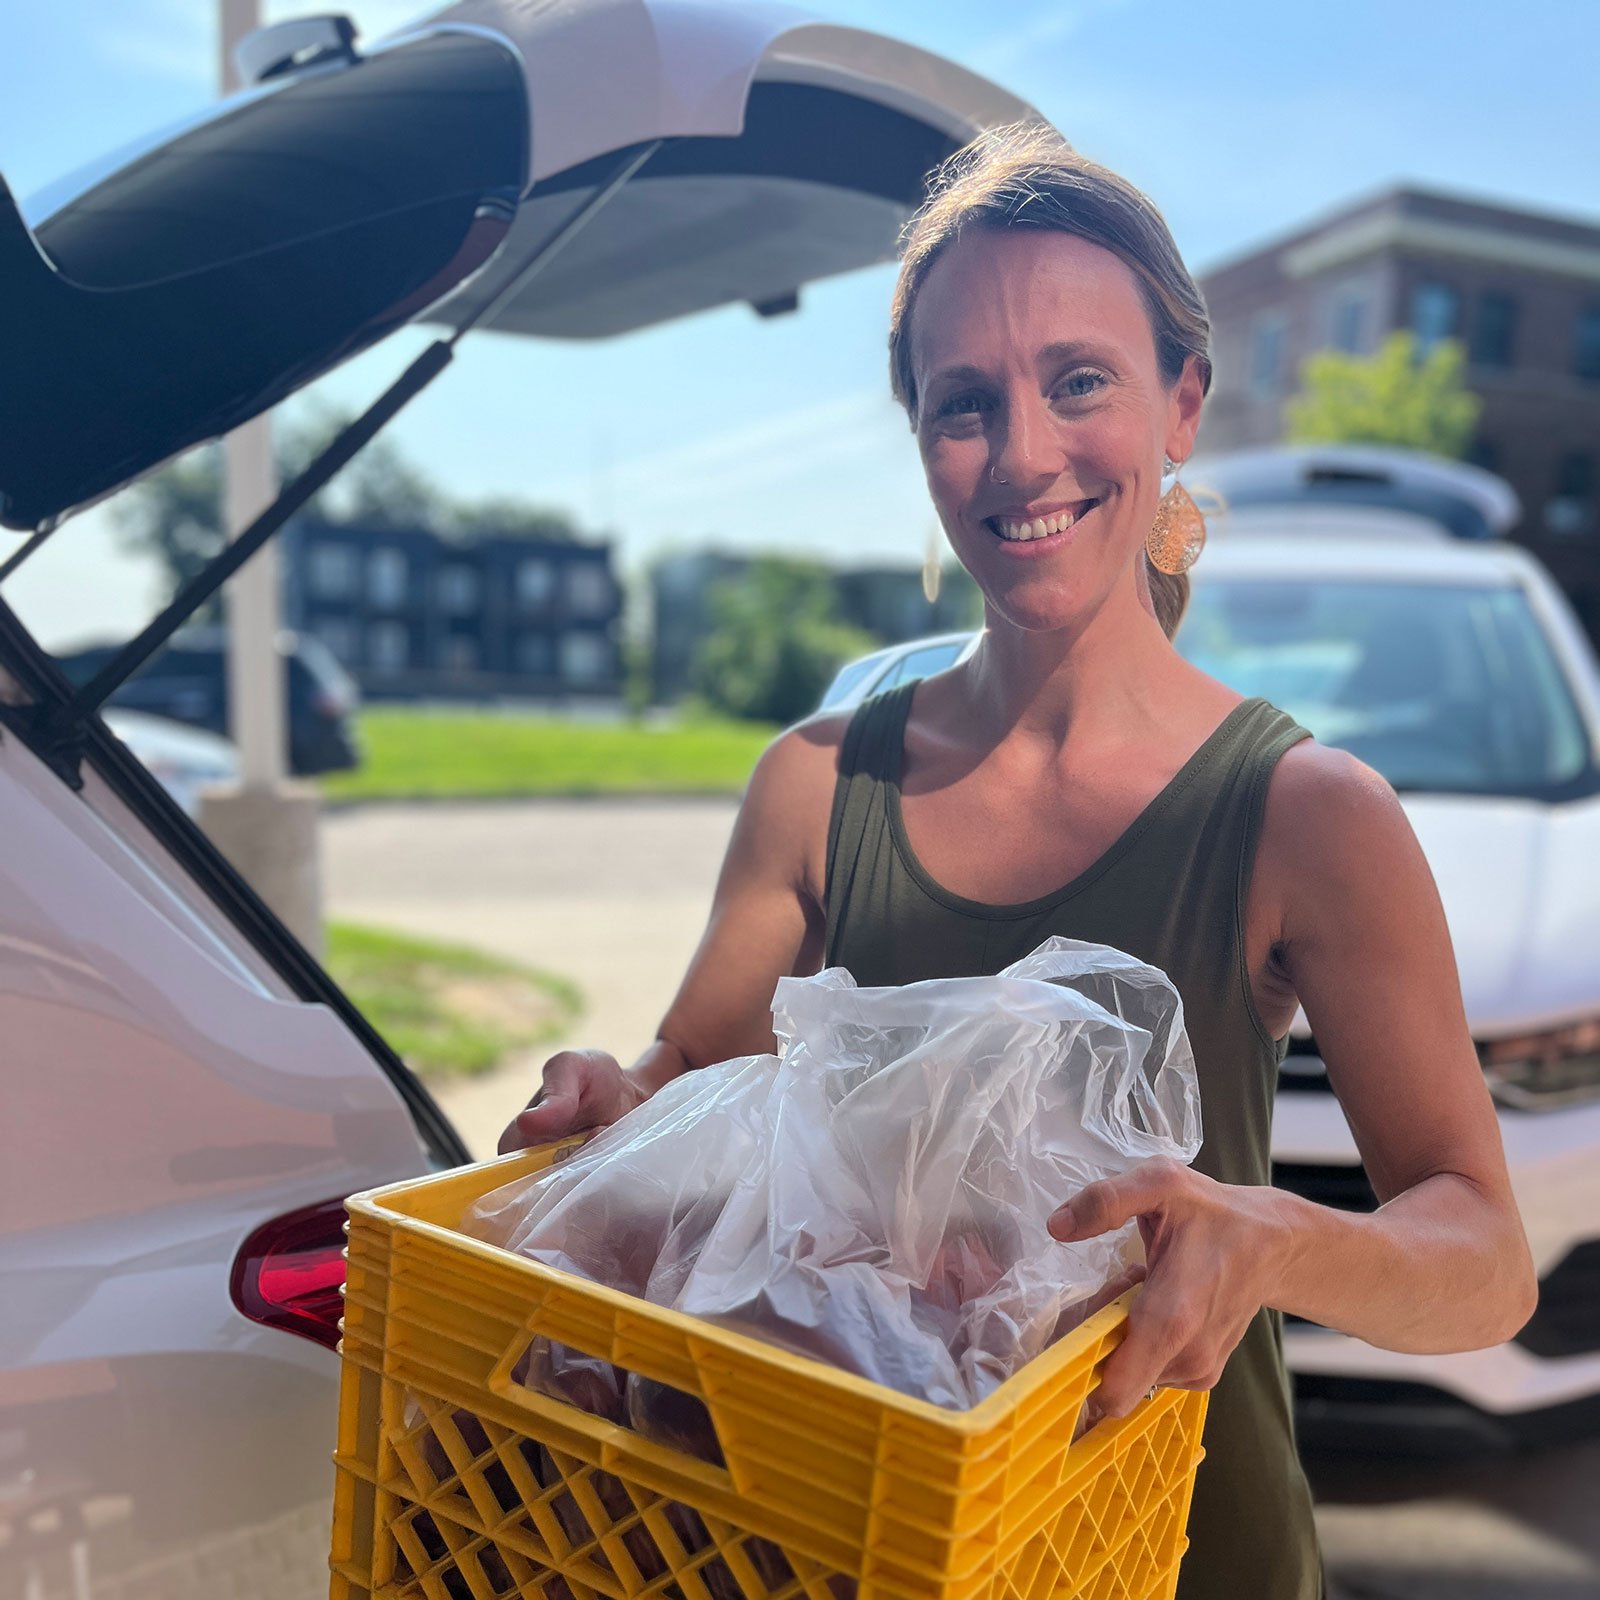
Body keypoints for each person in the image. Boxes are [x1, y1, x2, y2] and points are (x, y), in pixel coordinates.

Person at [498, 124, 1535, 1599]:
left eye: (1081, 381)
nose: (1026, 453)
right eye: (965, 403)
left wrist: (1274, 1242)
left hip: (1180, 1552)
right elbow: (689, 1080)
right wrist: (617, 1106)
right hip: (848, 1543)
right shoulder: (813, 786)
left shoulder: (1307, 814)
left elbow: (1486, 1259)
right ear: (921, 439)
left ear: (1182, 403)